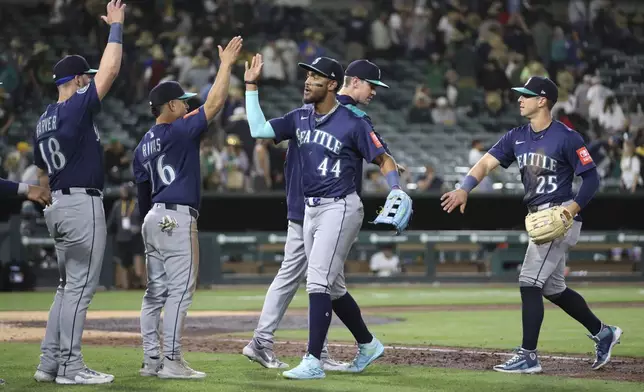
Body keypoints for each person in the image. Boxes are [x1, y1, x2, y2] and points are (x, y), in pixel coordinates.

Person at [440, 76, 622, 374]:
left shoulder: (566, 136)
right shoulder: (517, 136)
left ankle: (529, 355)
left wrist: (571, 209)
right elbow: (485, 163)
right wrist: (464, 188)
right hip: (538, 218)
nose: (519, 99)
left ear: (543, 100)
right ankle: (604, 333)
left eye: (526, 95)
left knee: (528, 281)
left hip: (560, 215)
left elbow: (592, 178)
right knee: (553, 288)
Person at [245, 55, 408, 379]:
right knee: (331, 286)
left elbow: (384, 158)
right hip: (308, 207)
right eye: (307, 76)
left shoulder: (354, 120)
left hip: (339, 205)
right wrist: (251, 86)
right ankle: (367, 343)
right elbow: (259, 129)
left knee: (316, 280)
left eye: (315, 77)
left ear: (332, 83)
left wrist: (395, 188)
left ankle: (313, 359)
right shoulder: (302, 116)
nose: (307, 81)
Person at [133, 36, 242, 380]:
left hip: (152, 218)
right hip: (177, 217)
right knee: (180, 291)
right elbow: (215, 103)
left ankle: (152, 361)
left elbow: (141, 194)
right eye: (180, 101)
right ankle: (172, 361)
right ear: (169, 106)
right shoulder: (179, 131)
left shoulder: (141, 147)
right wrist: (225, 65)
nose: (185, 105)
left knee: (155, 294)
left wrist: (150, 224)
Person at [32, 0, 125, 385]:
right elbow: (112, 69)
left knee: (65, 287)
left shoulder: (42, 119)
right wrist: (116, 27)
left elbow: (40, 168)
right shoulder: (74, 107)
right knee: (81, 290)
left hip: (57, 202)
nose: (89, 80)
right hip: (79, 203)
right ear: (76, 80)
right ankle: (70, 366)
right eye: (84, 77)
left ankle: (49, 363)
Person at [106, 182, 145, 289]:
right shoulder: (117, 205)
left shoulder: (138, 204)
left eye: (125, 190)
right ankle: (126, 286)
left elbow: (144, 220)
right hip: (121, 239)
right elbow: (111, 223)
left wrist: (139, 228)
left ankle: (141, 283)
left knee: (138, 259)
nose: (123, 192)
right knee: (123, 264)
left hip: (136, 238)